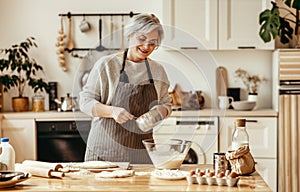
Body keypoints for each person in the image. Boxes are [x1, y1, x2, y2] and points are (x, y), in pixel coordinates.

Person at [79, 13, 172, 163]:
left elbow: (166, 103)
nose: (146, 46)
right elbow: (85, 102)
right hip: (105, 152)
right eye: (142, 39)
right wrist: (112, 111)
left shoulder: (157, 70)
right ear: (130, 35)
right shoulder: (106, 65)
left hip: (141, 153)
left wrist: (162, 111)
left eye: (153, 42)